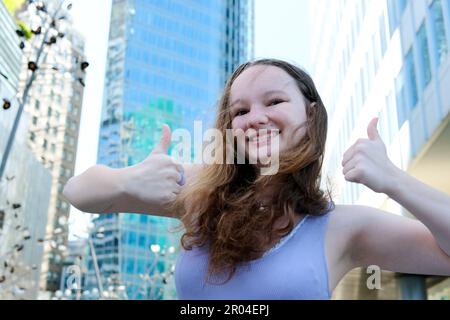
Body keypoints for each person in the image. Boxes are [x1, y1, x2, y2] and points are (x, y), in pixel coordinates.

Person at [63, 58, 450, 300]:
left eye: (275, 101)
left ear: (311, 115)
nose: (254, 118)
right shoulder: (200, 191)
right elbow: (78, 192)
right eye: (240, 110)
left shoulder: (344, 227)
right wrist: (125, 180)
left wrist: (397, 182)